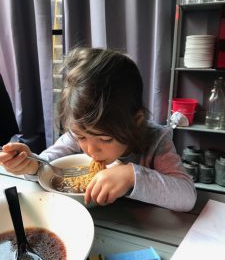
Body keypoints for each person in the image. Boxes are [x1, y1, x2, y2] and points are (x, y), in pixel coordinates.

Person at [0, 47, 196, 211]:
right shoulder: (76, 136)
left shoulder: (156, 140)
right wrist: (30, 165)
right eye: (81, 137)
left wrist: (130, 176)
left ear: (136, 120)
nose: (91, 150)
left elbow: (187, 196)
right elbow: (48, 166)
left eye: (105, 139)